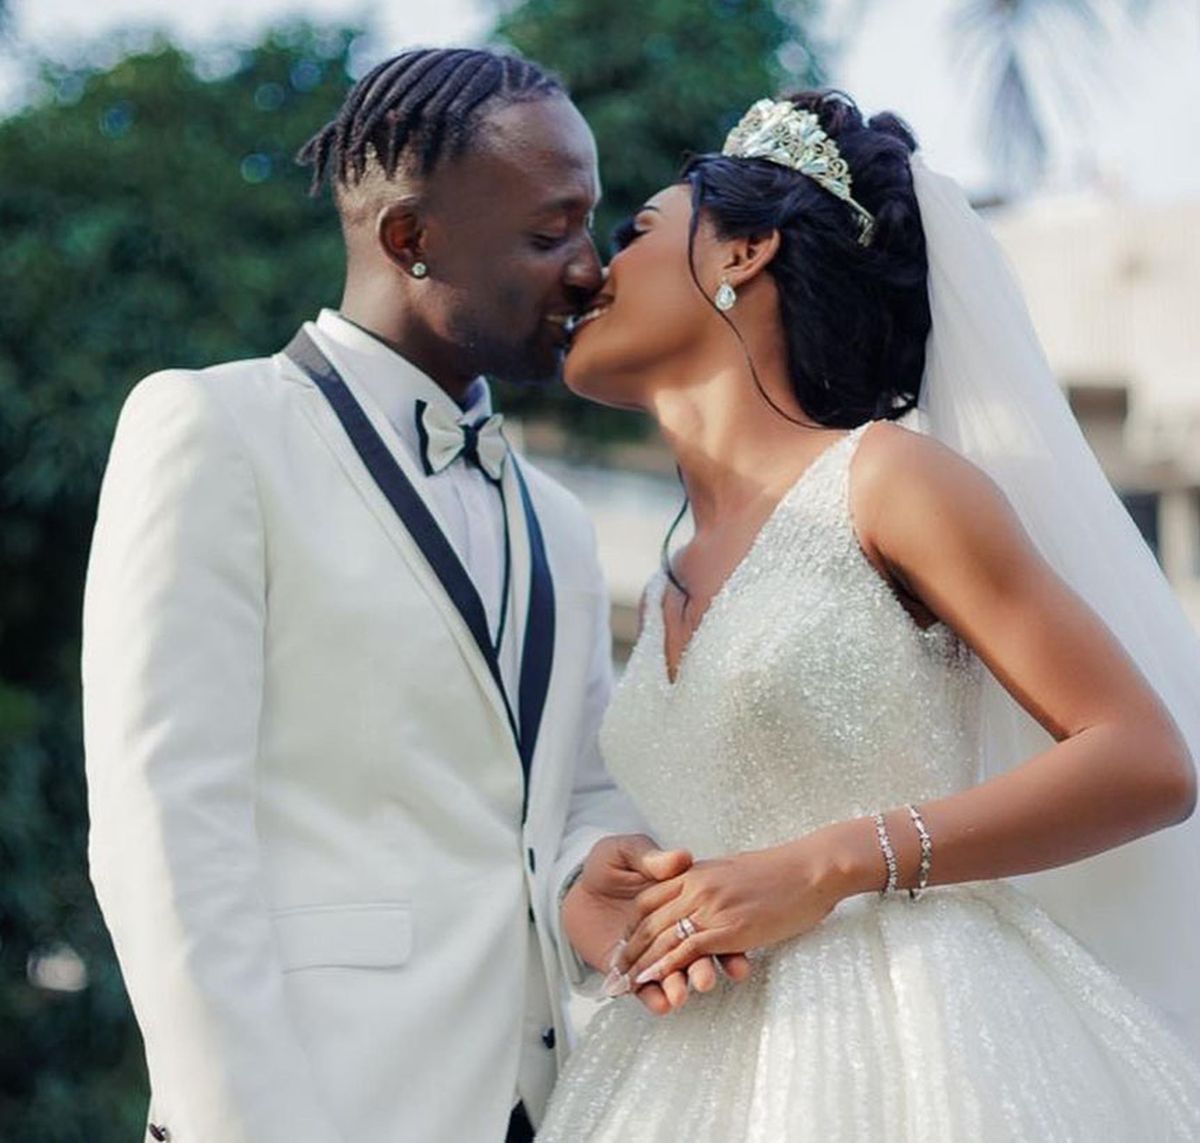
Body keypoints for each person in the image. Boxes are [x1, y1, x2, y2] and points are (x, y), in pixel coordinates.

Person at [81, 46, 731, 1143]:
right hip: (313, 1104)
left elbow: (572, 789)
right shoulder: (213, 430)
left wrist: (593, 864)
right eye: (550, 234)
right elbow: (165, 832)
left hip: (543, 1104)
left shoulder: (559, 522)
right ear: (409, 239)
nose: (590, 270)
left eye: (589, 226)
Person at [541, 91, 1200, 1140]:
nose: (592, 271)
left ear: (745, 250)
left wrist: (832, 862)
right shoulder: (666, 578)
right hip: (689, 1067)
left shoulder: (889, 481)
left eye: (637, 231)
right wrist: (627, 884)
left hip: (925, 1039)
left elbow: (1146, 759)